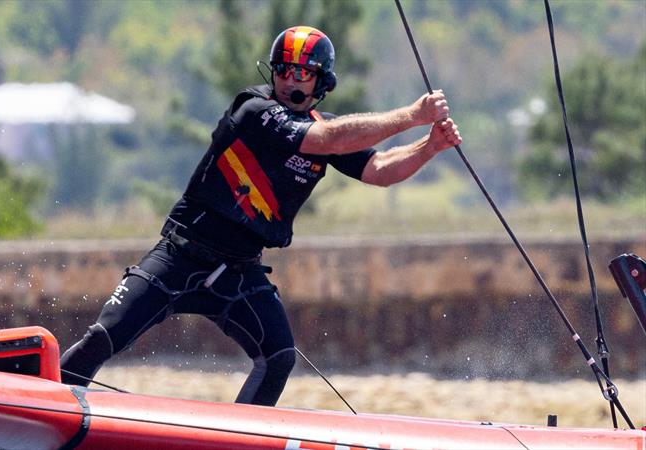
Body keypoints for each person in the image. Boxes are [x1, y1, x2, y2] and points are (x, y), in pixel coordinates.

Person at [60, 25, 461, 406]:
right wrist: (412, 115)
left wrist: (430, 145)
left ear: (321, 83)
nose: (290, 81)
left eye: (302, 73)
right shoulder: (255, 109)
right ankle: (47, 408)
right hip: (180, 257)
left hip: (239, 272)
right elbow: (327, 141)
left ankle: (240, 440)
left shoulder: (326, 127)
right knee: (103, 338)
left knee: (279, 357)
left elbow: (381, 169)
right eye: (283, 71)